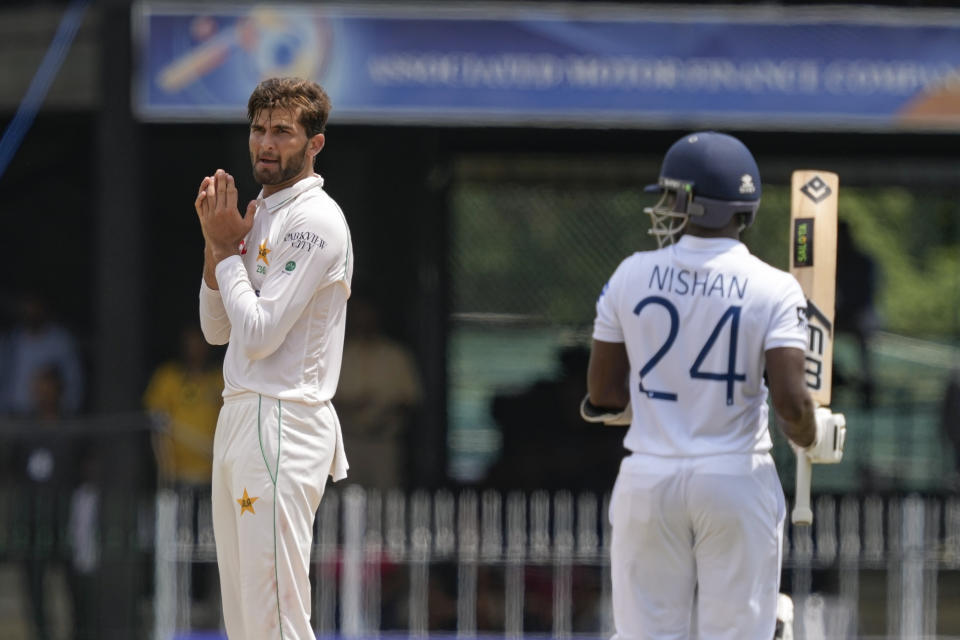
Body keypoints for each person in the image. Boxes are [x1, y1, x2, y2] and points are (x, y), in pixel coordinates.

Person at [582, 131, 846, 639]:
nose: (663, 206)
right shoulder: (773, 286)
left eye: (670, 195)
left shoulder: (630, 274)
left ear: (691, 203)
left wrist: (665, 403)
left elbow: (604, 395)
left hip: (650, 478)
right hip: (734, 476)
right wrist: (813, 435)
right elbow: (793, 401)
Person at [194, 76, 353, 640]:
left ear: (315, 144)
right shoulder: (256, 212)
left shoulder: (316, 219)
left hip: (283, 416)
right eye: (259, 129)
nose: (266, 143)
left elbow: (258, 334)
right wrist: (219, 249)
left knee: (276, 610)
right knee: (244, 615)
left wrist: (224, 249)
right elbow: (217, 330)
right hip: (241, 411)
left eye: (283, 131)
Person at [336, 295, 422, 490]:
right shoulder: (339, 353)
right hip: (348, 443)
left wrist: (384, 417)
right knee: (346, 501)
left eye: (369, 314)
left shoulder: (397, 355)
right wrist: (351, 407)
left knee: (386, 501)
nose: (364, 320)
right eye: (360, 314)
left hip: (385, 443)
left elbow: (410, 400)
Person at [144, 324, 224, 489]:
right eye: (190, 343)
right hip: (175, 477)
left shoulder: (220, 379)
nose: (194, 348)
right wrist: (165, 471)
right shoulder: (167, 378)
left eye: (199, 342)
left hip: (213, 475)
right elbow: (156, 422)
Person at [0, 291, 85, 417]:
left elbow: (73, 377)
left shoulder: (60, 340)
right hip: (15, 413)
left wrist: (69, 409)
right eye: (27, 306)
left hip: (49, 416)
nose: (31, 310)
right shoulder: (12, 339)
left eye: (35, 306)